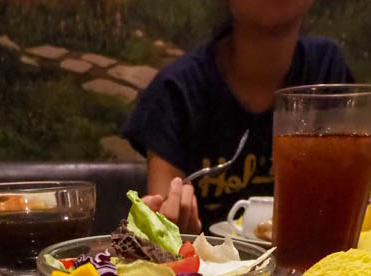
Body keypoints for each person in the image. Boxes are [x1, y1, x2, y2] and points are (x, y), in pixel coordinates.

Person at [120, 0, 353, 234]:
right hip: (210, 268)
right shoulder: (178, 89)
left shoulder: (326, 69)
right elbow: (160, 228)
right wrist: (170, 230)